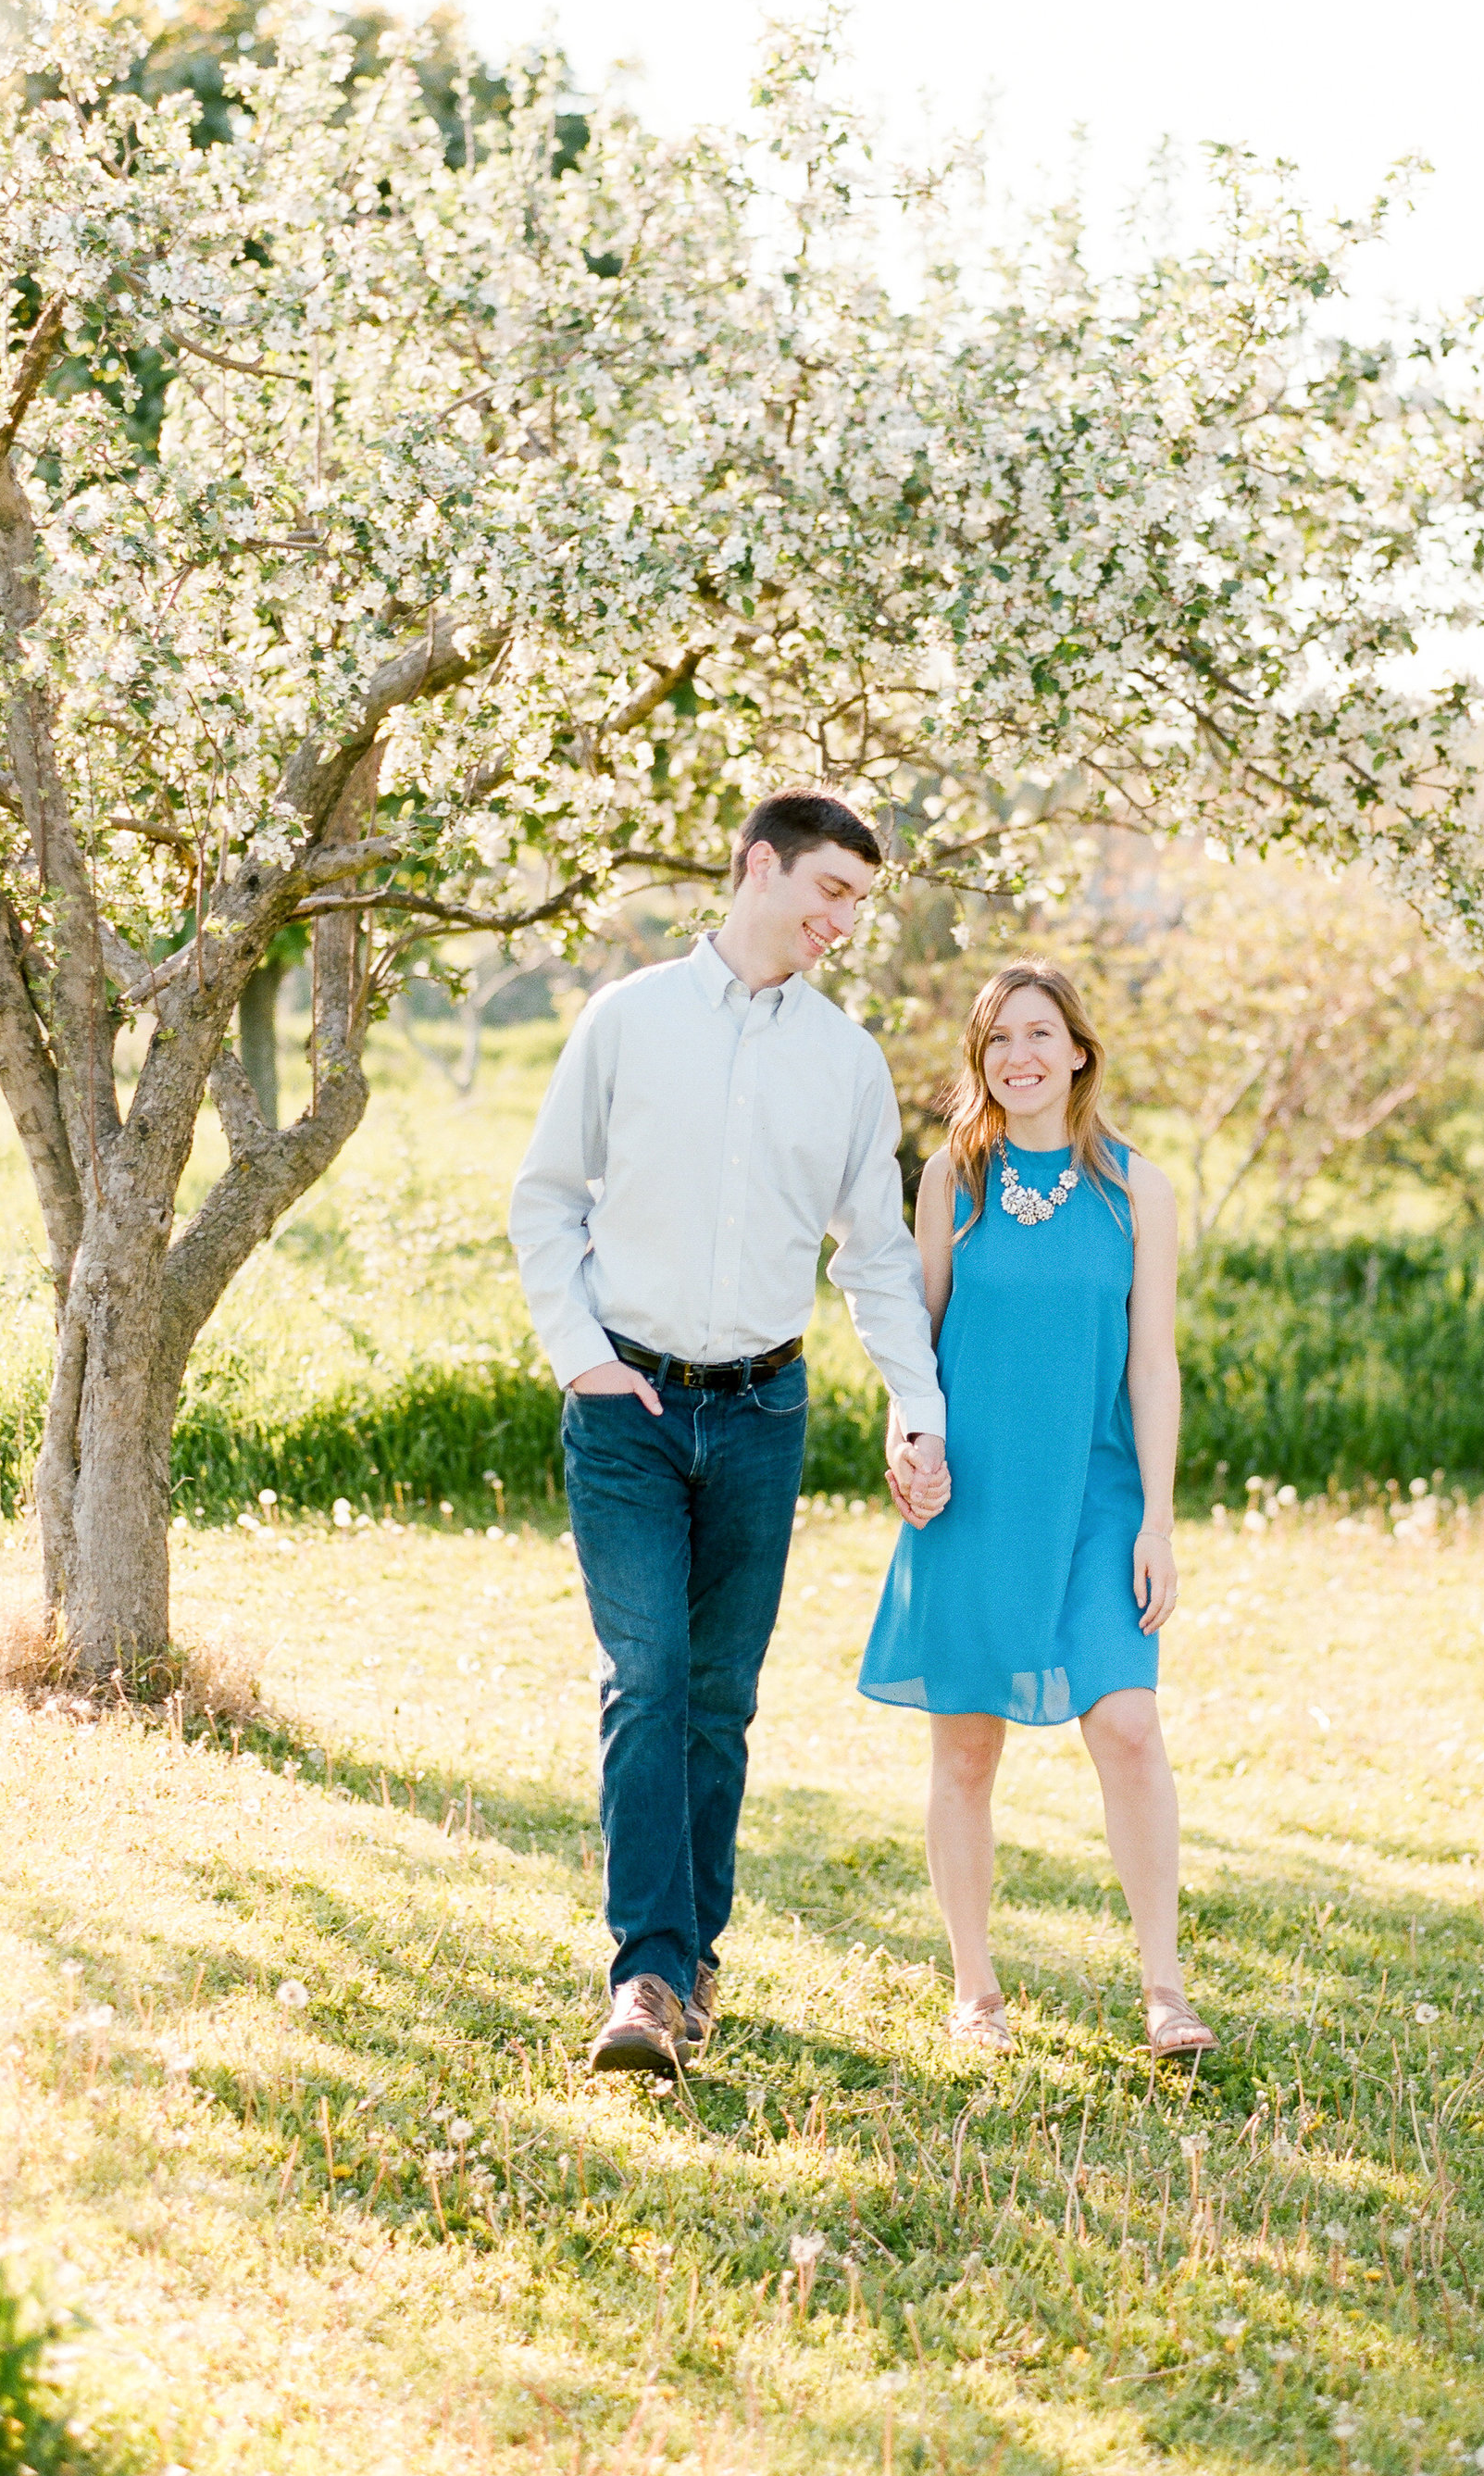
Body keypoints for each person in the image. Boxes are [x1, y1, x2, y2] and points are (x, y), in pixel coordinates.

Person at [509, 791, 951, 2077]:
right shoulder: (628, 1021)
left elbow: (874, 1258)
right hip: (628, 1409)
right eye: (829, 892)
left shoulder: (845, 1060)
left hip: (764, 1409)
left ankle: (693, 1951)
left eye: (859, 903)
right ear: (759, 867)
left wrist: (913, 1410)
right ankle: (646, 1972)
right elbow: (546, 1199)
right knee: (645, 1680)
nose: (842, 923)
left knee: (719, 1696)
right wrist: (582, 1359)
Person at [860, 960, 1215, 2060]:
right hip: (971, 1500)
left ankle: (1164, 1991)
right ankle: (976, 1994)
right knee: (964, 1754)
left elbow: (1153, 1367)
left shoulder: (1134, 1189)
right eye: (997, 1039)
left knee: (1129, 1725)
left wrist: (1157, 1518)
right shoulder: (950, 1184)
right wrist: (903, 1440)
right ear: (981, 1061)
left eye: (1039, 1034)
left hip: (1099, 1498)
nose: (1019, 1055)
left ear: (1077, 1051)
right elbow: (911, 1347)